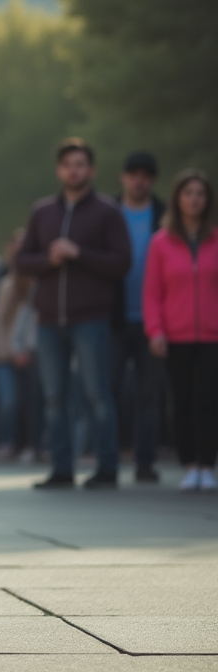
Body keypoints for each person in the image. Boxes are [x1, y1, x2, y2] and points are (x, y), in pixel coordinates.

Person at [17, 138, 131, 490]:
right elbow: (22, 261)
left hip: (91, 319)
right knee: (55, 399)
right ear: (59, 170)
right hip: (50, 321)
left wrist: (78, 253)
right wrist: (48, 260)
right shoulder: (42, 212)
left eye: (80, 164)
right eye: (68, 164)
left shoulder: (108, 212)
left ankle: (106, 467)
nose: (74, 170)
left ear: (92, 170)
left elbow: (122, 263)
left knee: (97, 395)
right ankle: (62, 469)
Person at [143, 170, 217, 492]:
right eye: (188, 193)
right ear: (177, 199)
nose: (194, 199)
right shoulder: (161, 242)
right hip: (176, 335)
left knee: (209, 399)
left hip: (213, 335)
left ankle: (207, 464)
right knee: (182, 399)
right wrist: (156, 330)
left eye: (200, 193)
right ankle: (189, 463)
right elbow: (152, 292)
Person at [113, 151, 167, 483]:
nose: (139, 179)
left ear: (153, 180)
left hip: (154, 321)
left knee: (150, 395)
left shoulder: (166, 215)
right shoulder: (107, 212)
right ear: (123, 177)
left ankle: (145, 461)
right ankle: (110, 459)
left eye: (146, 173)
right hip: (114, 317)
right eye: (133, 173)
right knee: (110, 391)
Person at [0, 230, 37, 461]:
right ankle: (4, 442)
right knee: (8, 401)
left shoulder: (38, 285)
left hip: (32, 354)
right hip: (6, 356)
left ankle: (28, 445)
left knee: (31, 403)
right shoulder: (7, 285)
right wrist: (6, 353)